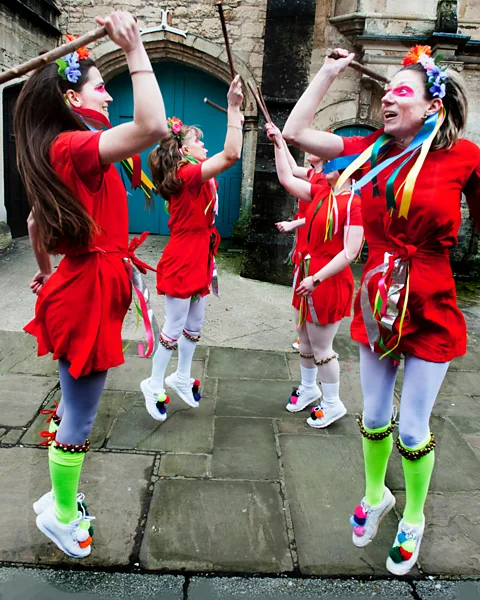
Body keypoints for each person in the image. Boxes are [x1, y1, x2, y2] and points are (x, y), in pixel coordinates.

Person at [283, 44, 480, 574]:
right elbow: (297, 133)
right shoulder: (369, 150)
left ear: (431, 106)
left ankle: (413, 515)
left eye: (401, 91)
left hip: (432, 300)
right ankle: (376, 495)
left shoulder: (465, 156)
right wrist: (326, 72)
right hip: (377, 298)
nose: (386, 98)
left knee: (412, 428)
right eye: (386, 89)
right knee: (372, 414)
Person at [14, 11, 168, 558]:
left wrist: (46, 272)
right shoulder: (74, 146)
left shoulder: (63, 146)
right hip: (87, 291)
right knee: (80, 415)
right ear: (73, 99)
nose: (108, 98)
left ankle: (59, 498)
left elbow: (36, 224)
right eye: (101, 89)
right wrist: (134, 49)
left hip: (83, 286)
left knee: (75, 405)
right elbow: (152, 128)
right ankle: (59, 514)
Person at [140, 77, 244, 420]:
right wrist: (231, 108)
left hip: (201, 254)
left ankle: (181, 377)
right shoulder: (187, 175)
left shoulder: (193, 173)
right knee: (174, 324)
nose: (204, 146)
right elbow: (231, 155)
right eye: (199, 142)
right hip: (184, 257)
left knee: (194, 322)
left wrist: (238, 121)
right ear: (184, 151)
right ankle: (153, 383)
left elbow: (223, 154)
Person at [267, 123, 363, 428]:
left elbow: (350, 253)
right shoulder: (322, 190)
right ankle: (309, 389)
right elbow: (285, 176)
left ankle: (333, 403)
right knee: (305, 341)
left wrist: (317, 278)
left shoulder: (354, 205)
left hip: (327, 281)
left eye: (332, 162)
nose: (323, 164)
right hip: (307, 274)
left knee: (323, 348)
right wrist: (277, 141)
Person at [274, 145, 326, 352]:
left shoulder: (324, 180)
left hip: (312, 237)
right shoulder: (313, 173)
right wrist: (280, 142)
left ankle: (310, 336)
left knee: (306, 287)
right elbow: (293, 168)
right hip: (304, 237)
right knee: (300, 286)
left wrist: (292, 224)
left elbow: (321, 213)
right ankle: (304, 335)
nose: (309, 149)